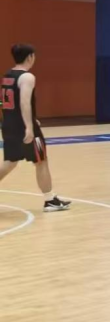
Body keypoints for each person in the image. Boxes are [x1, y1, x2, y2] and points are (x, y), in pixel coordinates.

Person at [0, 44, 71, 212]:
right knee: (41, 160)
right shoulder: (27, 77)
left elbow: (4, 102)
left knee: (10, 162)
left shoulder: (7, 75)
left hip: (8, 125)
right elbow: (24, 102)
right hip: (23, 127)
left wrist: (21, 119)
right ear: (30, 57)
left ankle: (51, 199)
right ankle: (50, 200)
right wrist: (29, 126)